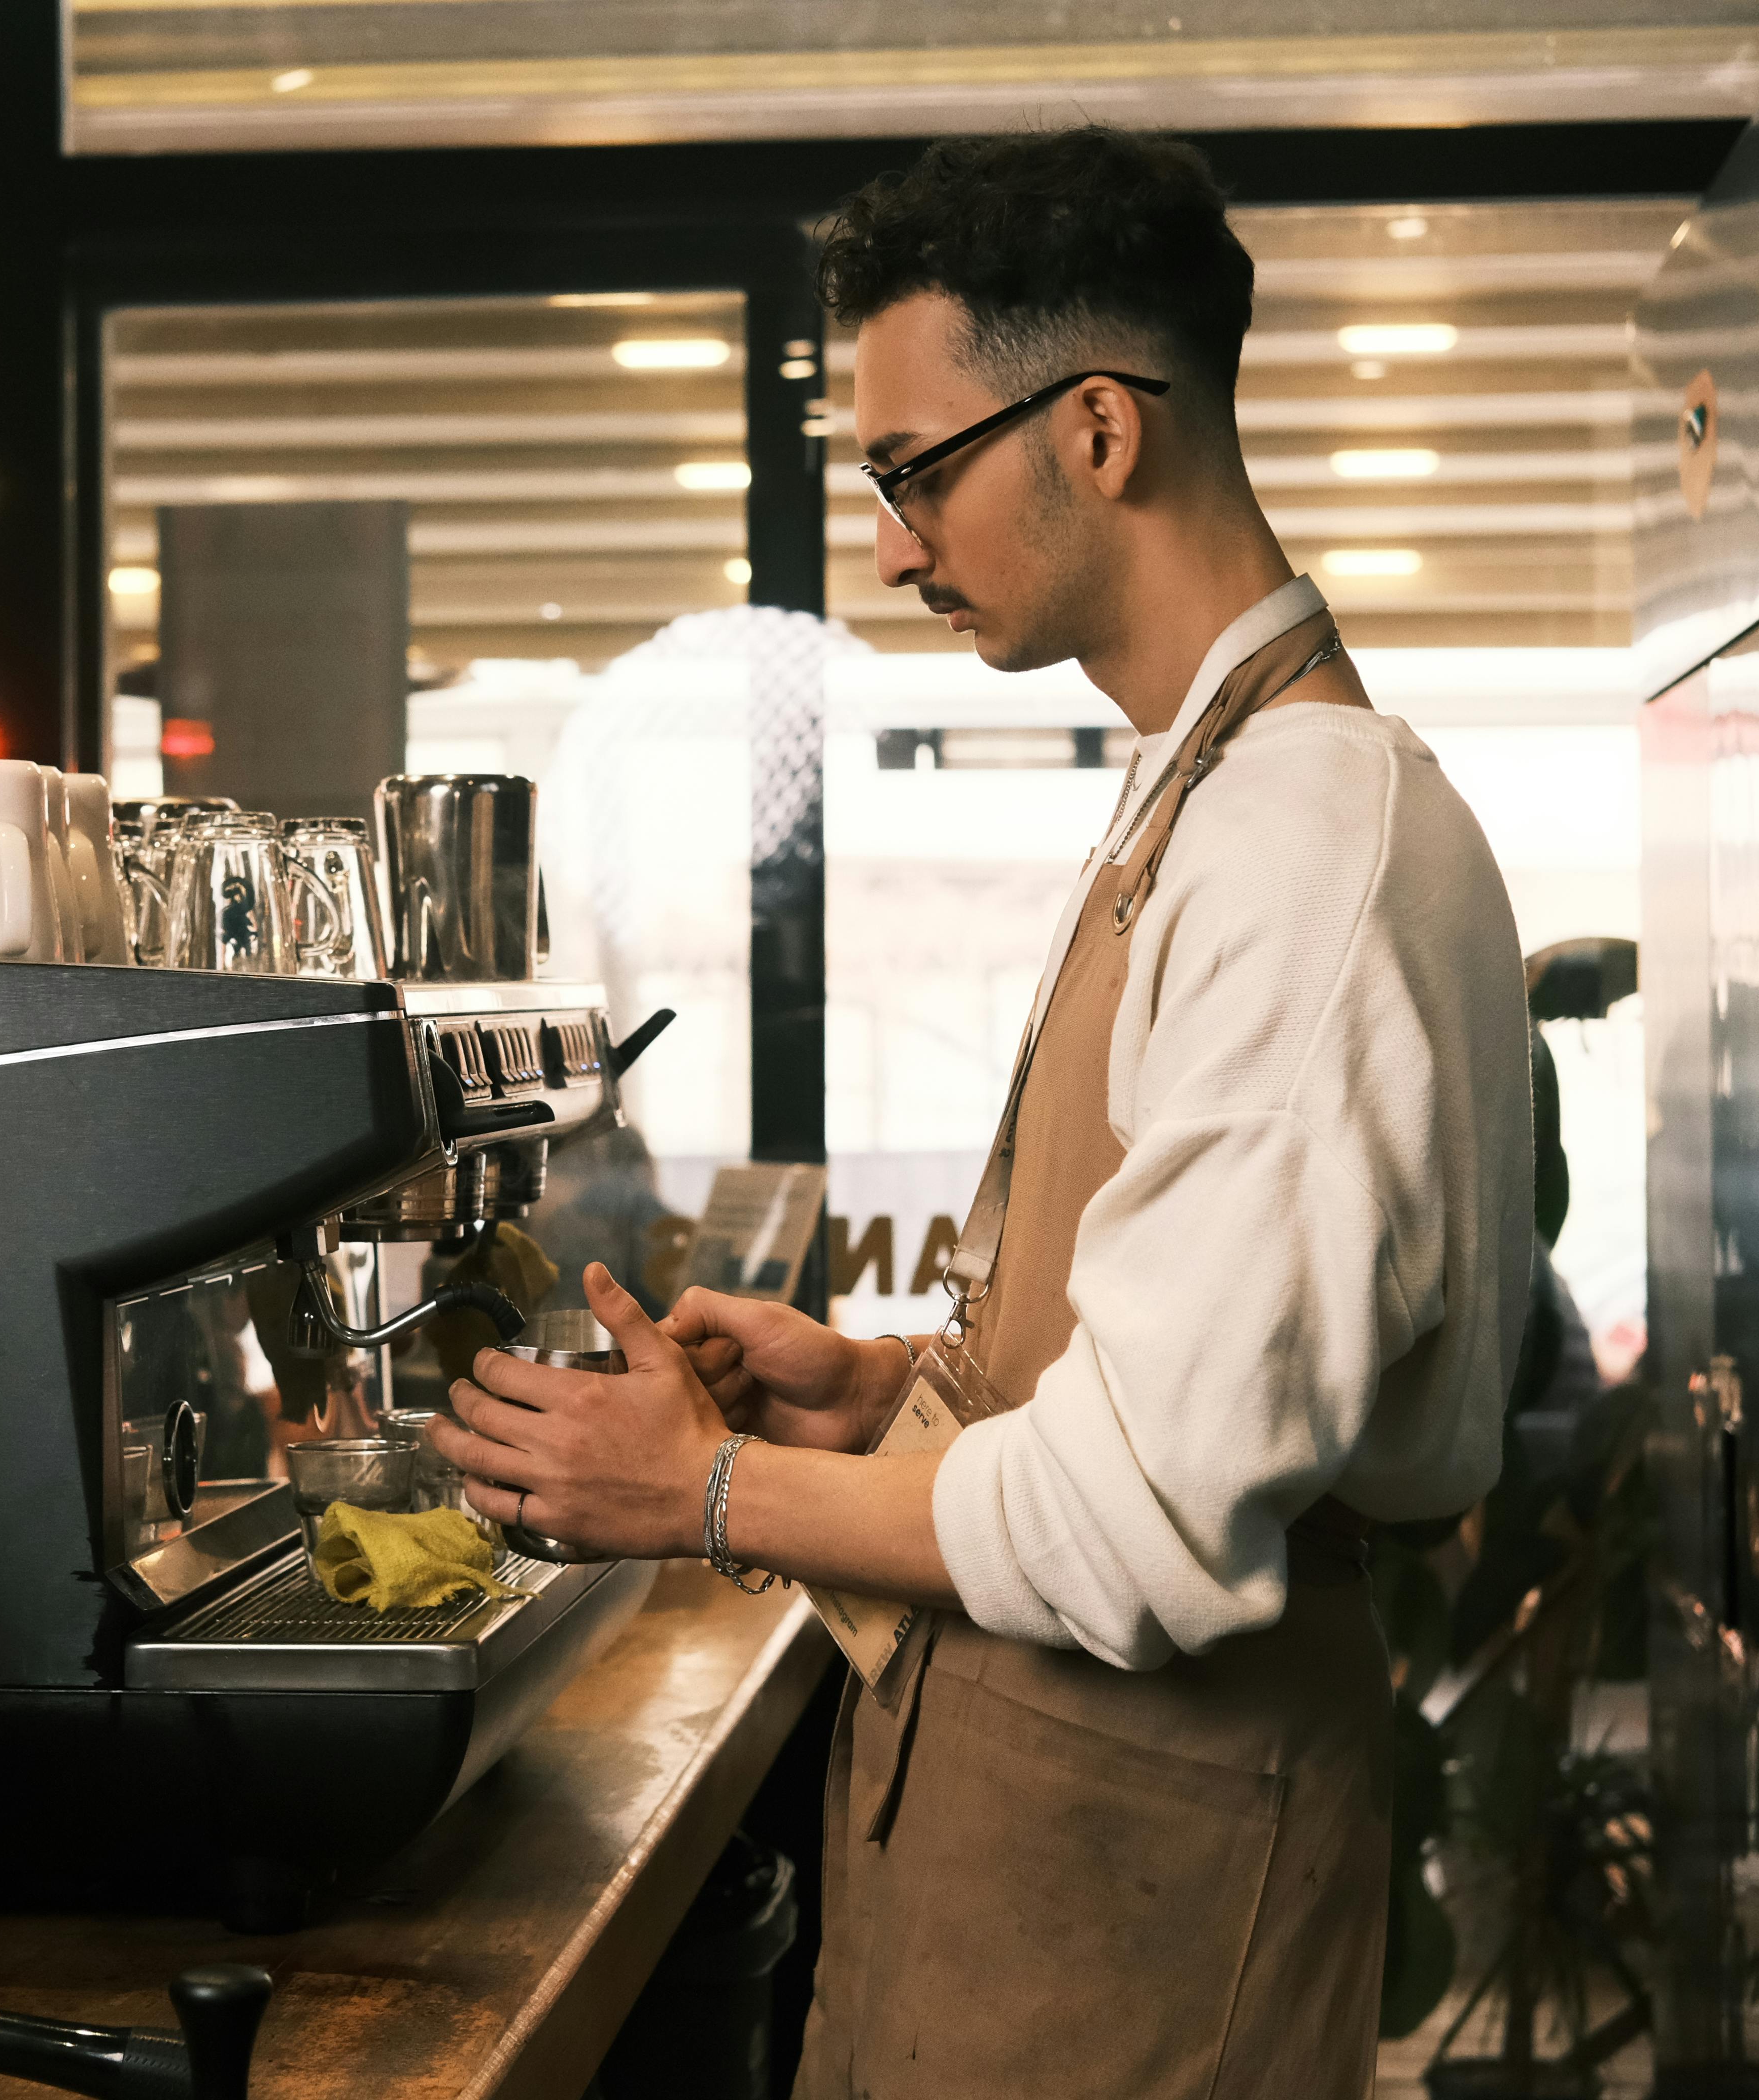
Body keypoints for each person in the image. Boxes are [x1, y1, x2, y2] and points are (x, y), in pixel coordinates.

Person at [431, 125, 1532, 2099]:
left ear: (1098, 429)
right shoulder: (1204, 794)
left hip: (1148, 1891)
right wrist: (884, 1392)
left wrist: (699, 1493)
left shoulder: (1307, 840)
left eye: (912, 471)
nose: (891, 546)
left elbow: (1146, 1517)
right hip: (1047, 1858)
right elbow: (1186, 1394)